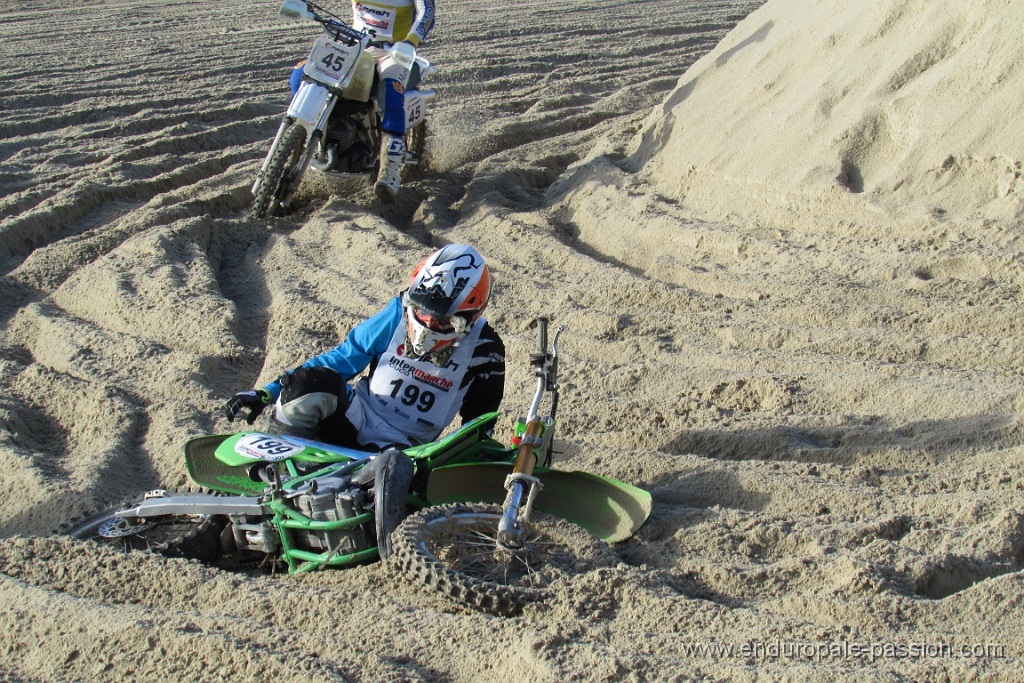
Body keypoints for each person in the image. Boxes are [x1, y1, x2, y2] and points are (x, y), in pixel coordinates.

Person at [225, 244, 505, 452]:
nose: (427, 322)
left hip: (406, 451)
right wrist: (266, 393)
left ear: (470, 316)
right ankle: (276, 468)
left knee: (396, 467)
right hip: (356, 417)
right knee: (309, 384)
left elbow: (478, 426)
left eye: (442, 321)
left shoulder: (486, 350)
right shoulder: (398, 313)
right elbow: (341, 359)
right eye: (421, 311)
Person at [289, 0, 436, 202]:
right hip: (356, 46)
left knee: (390, 93)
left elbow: (427, 12)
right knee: (301, 74)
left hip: (393, 53)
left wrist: (410, 42)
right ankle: (309, 136)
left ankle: (390, 169)